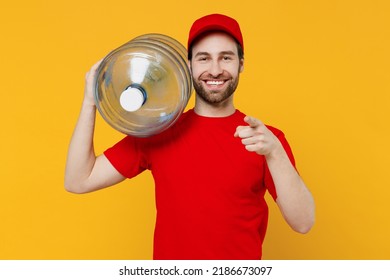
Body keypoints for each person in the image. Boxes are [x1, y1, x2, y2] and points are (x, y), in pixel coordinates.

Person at [65, 13, 315, 260]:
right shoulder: (159, 131)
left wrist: (275, 152)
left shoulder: (264, 140)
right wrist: (90, 101)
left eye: (225, 58)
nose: (215, 70)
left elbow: (303, 222)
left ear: (241, 64)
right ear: (188, 65)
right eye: (204, 58)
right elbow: (78, 180)